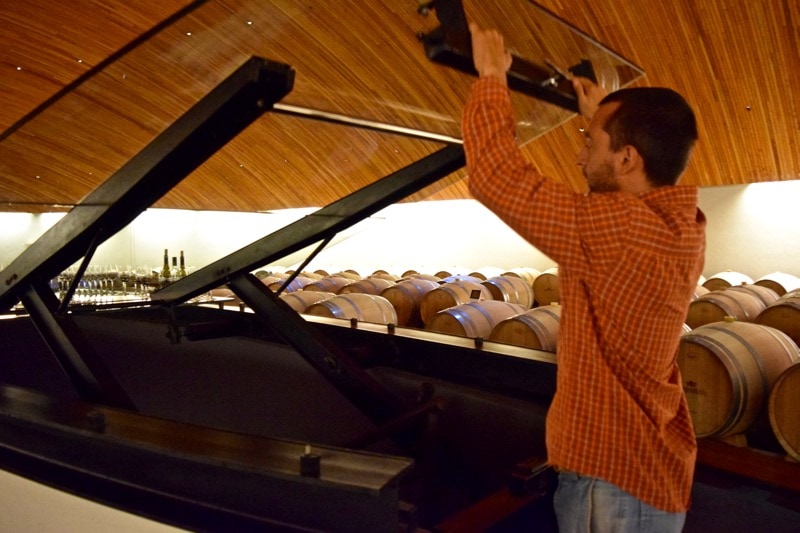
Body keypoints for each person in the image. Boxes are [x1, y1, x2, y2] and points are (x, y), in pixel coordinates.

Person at [462, 24, 706, 532]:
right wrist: (600, 117)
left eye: (588, 143)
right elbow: (614, 199)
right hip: (639, 476)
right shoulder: (677, 224)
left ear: (627, 157)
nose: (578, 155)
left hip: (614, 486)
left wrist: (490, 77)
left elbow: (495, 176)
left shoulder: (624, 231)